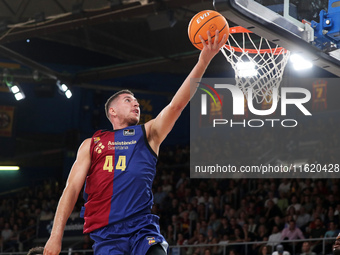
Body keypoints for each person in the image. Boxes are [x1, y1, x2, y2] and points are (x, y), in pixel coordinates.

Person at [43, 30, 228, 255]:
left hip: (142, 230)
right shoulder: (91, 144)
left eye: (137, 101)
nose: (136, 104)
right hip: (107, 235)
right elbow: (71, 189)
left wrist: (203, 61)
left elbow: (176, 105)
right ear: (112, 111)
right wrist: (55, 236)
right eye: (128, 100)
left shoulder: (148, 133)